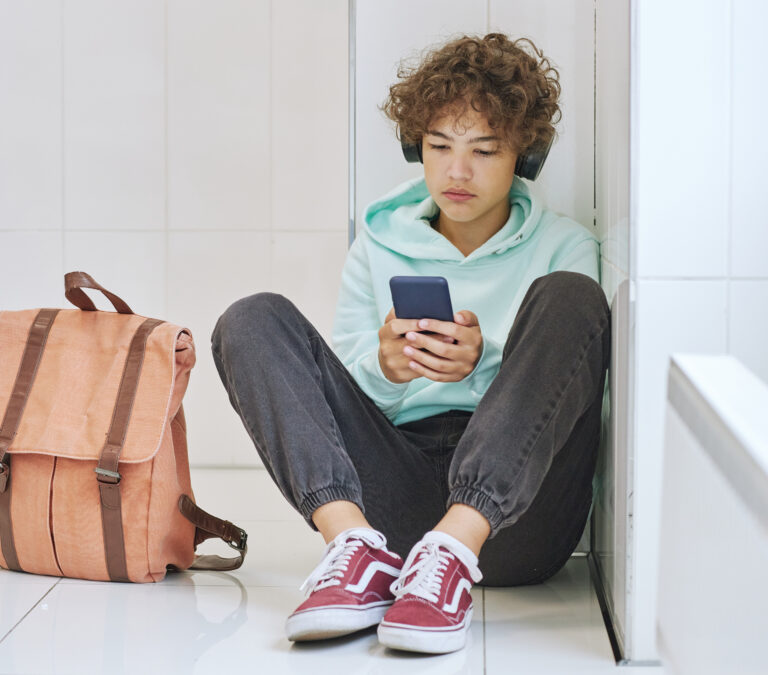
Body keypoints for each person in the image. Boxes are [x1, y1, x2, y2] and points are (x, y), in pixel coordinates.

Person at [210, 32, 610, 655]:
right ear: (414, 147)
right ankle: (353, 548)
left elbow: (568, 390)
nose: (457, 171)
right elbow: (336, 399)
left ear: (524, 157)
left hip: (517, 523)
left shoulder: (565, 246)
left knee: (571, 297)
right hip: (393, 506)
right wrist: (387, 369)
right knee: (251, 318)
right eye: (438, 146)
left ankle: (453, 549)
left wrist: (484, 365)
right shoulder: (377, 243)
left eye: (484, 150)